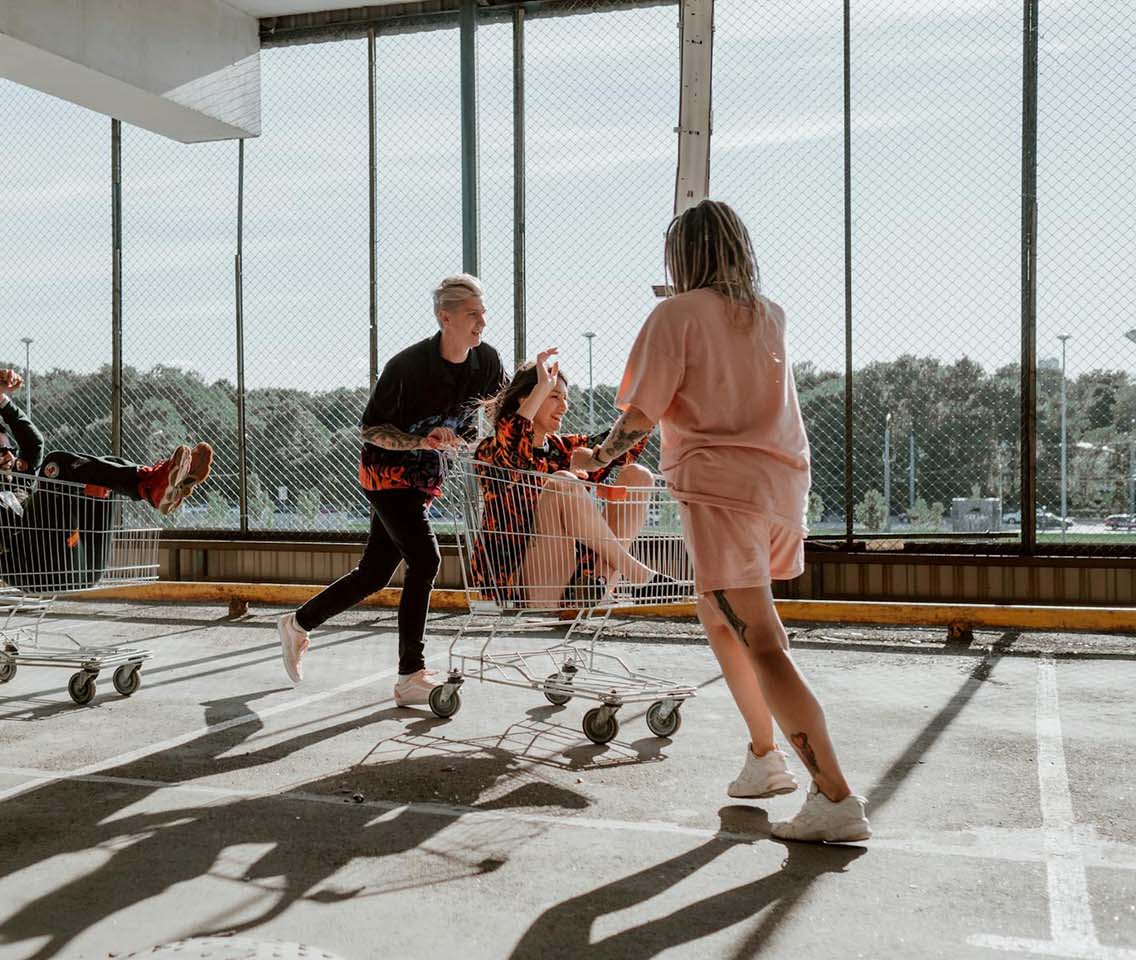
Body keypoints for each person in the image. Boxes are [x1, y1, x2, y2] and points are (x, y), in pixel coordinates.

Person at [575, 199, 869, 844]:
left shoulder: (675, 314)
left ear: (682, 257)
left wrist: (594, 456)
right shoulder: (768, 315)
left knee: (760, 636)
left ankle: (836, 795)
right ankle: (766, 758)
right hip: (779, 485)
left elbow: (639, 416)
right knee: (720, 617)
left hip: (721, 489)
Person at [276, 274, 506, 706]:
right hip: (386, 476)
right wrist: (422, 440)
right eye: (473, 314)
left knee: (375, 573)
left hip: (423, 481)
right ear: (446, 317)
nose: (482, 322)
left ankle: (298, 624)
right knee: (425, 558)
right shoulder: (408, 366)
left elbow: (502, 408)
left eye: (484, 312)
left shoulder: (485, 362)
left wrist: (542, 384)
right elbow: (371, 430)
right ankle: (410, 674)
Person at [470, 348, 661, 607]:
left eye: (565, 398)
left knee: (637, 475)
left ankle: (599, 586)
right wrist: (541, 387)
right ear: (526, 399)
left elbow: (619, 447)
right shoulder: (491, 450)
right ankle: (637, 573)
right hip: (521, 581)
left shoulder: (561, 448)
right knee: (563, 481)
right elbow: (514, 447)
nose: (564, 406)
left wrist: (654, 396)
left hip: (574, 574)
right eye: (554, 396)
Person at [0, 368, 212, 514]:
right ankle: (149, 486)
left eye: (10, 448)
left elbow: (33, 443)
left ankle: (150, 482)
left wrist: (4, 403)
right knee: (55, 465)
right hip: (20, 551)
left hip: (59, 547)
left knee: (103, 469)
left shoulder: (18, 478)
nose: (9, 456)